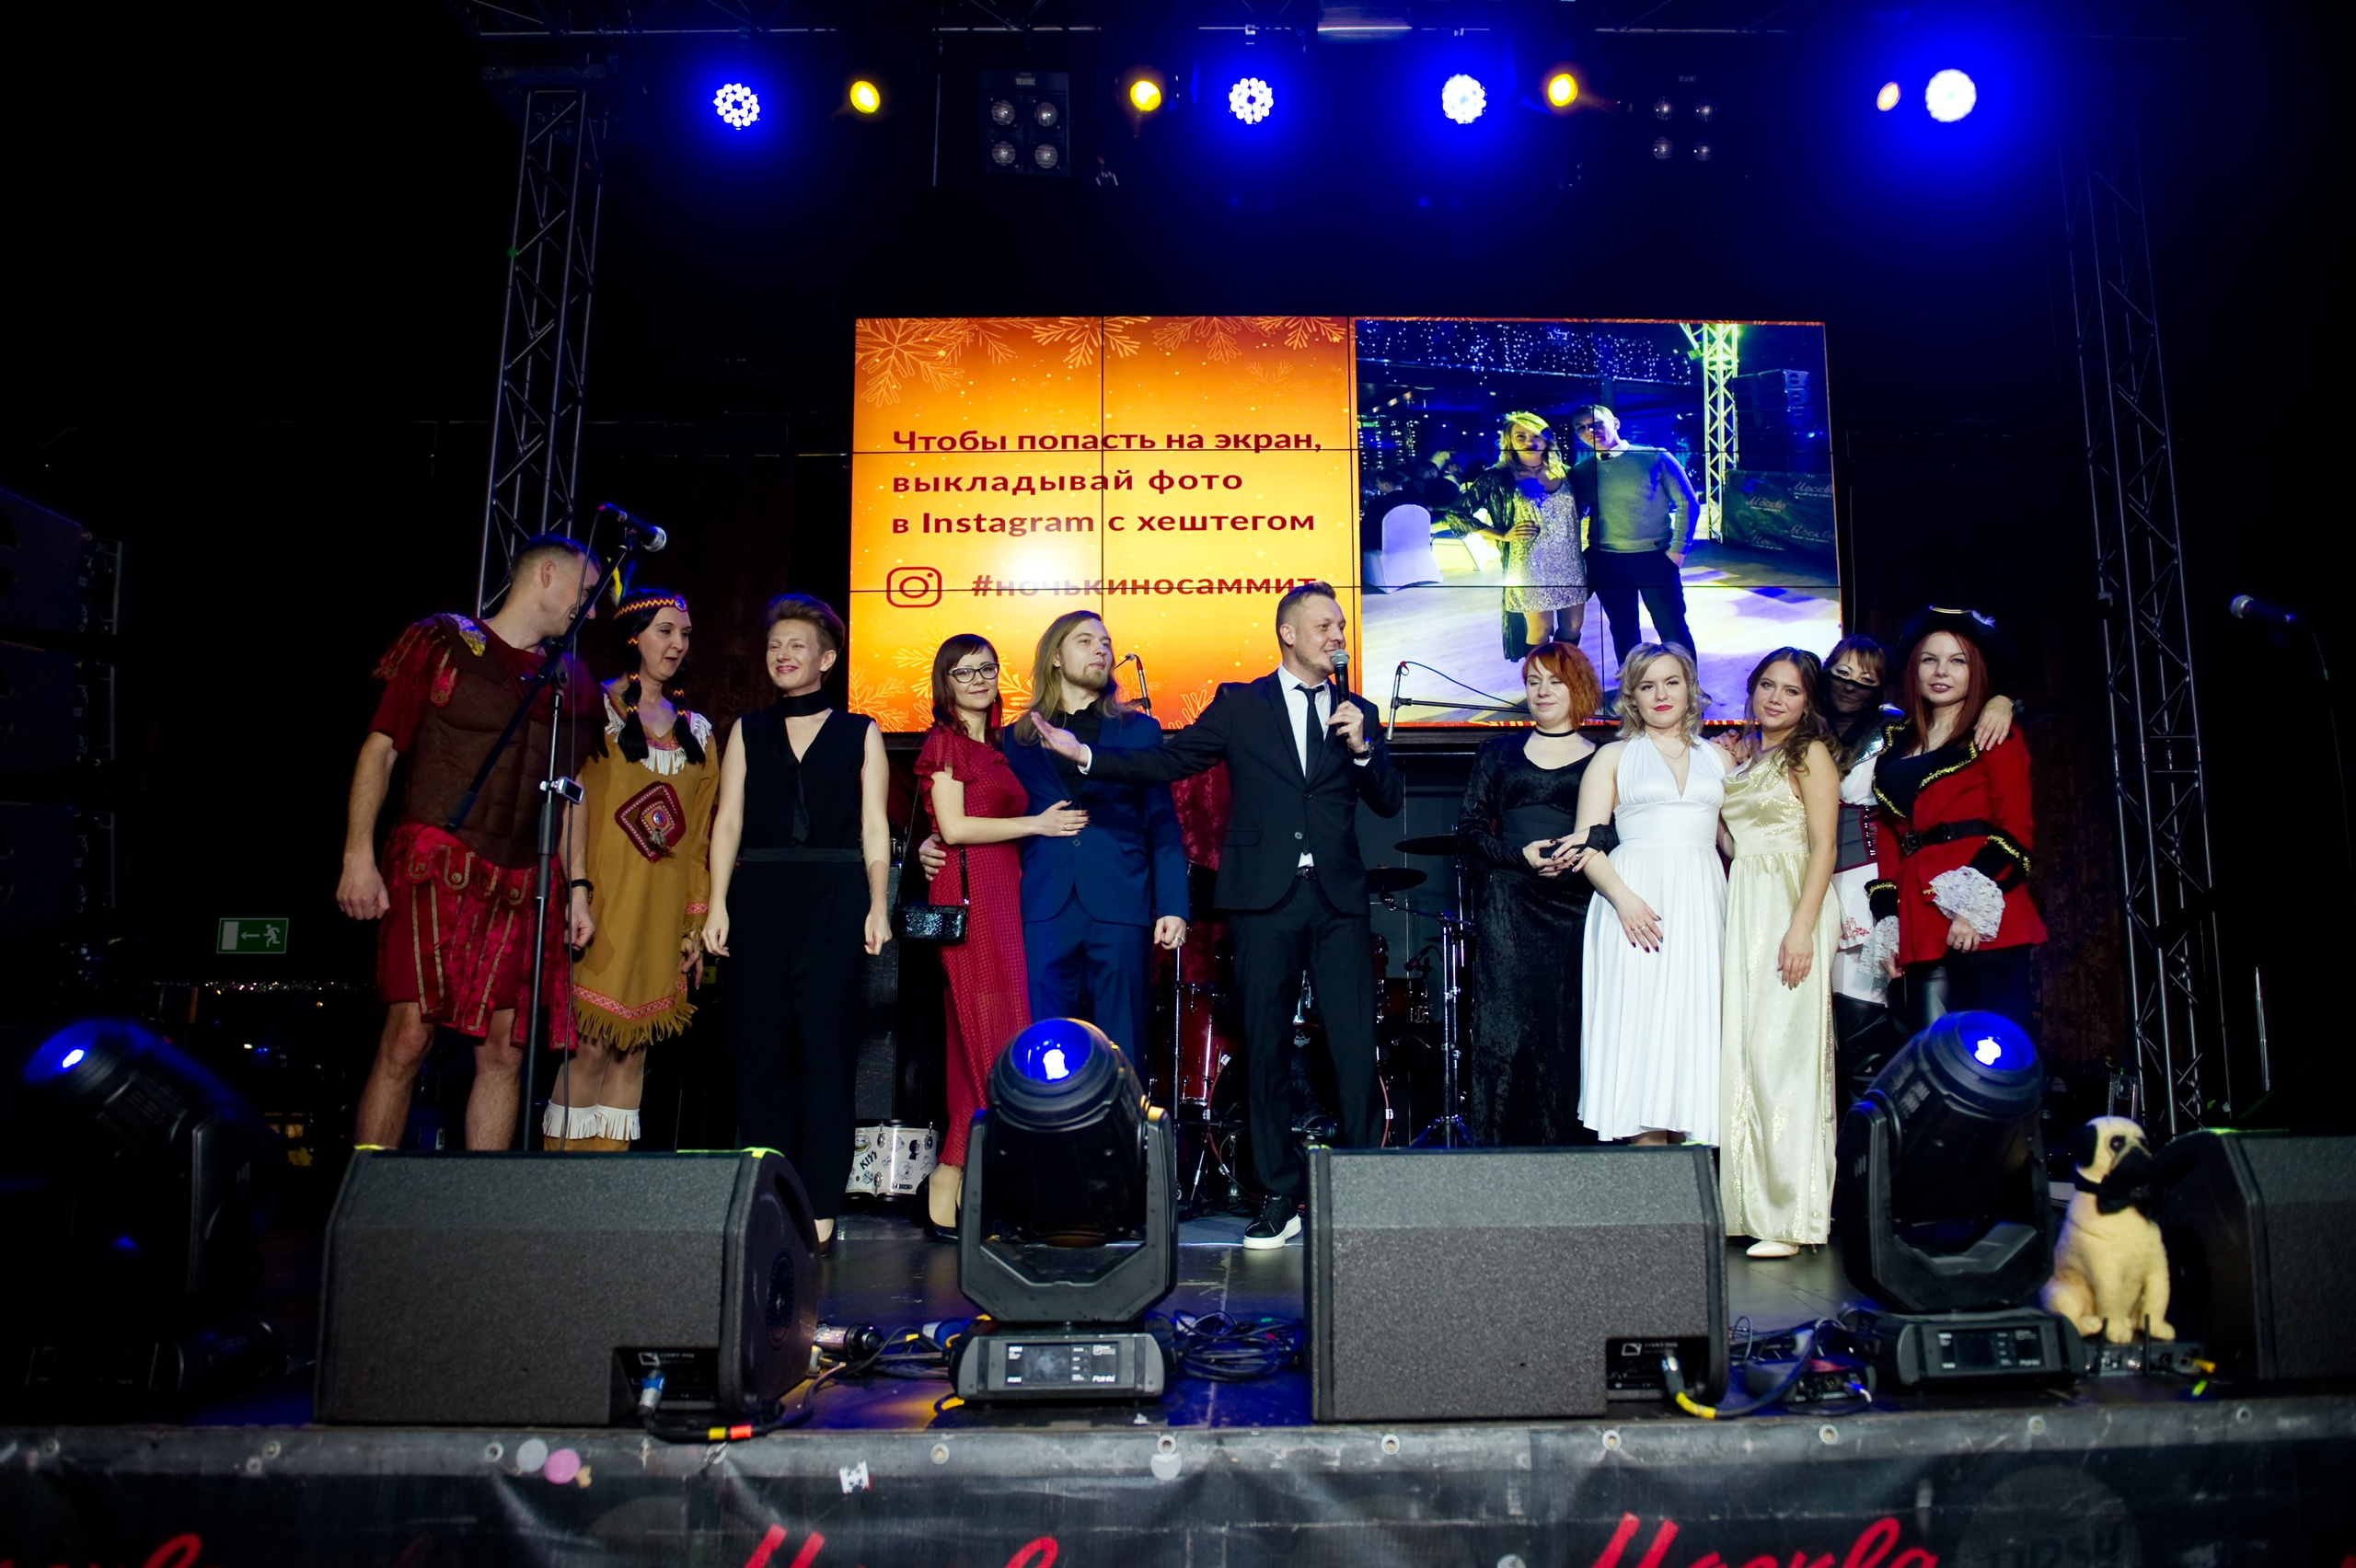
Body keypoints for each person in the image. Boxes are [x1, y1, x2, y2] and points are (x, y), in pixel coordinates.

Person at [1030, 582, 1404, 1249]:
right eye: (1324, 625)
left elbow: (1387, 799)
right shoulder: (1240, 703)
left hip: (1339, 900)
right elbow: (1170, 761)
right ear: (1287, 634)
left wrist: (1366, 749)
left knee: (1352, 1047)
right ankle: (1279, 1195)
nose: (1336, 635)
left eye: (1341, 625)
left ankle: (1358, 1188)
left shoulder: (1359, 709)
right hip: (1263, 898)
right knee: (1263, 1048)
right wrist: (1084, 755)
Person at [338, 534, 604, 1152]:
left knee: (506, 1050)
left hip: (521, 879)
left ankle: (480, 1213)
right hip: (438, 861)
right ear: (544, 576)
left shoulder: (569, 678)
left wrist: (580, 889)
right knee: (408, 1037)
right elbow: (380, 750)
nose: (589, 611)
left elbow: (575, 792)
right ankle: (367, 1200)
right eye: (585, 593)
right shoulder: (443, 643)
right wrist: (357, 856)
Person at [702, 594, 891, 1245]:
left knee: (824, 1045)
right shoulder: (747, 731)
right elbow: (726, 820)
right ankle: (763, 1194)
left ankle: (820, 1202)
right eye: (774, 646)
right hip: (758, 892)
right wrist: (718, 901)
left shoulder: (859, 730)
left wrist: (877, 904)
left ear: (827, 659)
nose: (782, 656)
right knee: (758, 1048)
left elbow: (874, 826)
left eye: (796, 646)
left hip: (835, 894)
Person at [912, 634, 1086, 1239]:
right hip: (970, 898)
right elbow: (954, 826)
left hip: (1002, 895)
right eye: (964, 672)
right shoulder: (947, 743)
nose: (979, 679)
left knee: (973, 1053)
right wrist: (1036, 824)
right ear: (946, 683)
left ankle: (947, 1188)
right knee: (996, 1041)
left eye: (986, 667)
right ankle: (1014, 1191)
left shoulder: (1000, 745)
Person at [544, 588, 717, 1151]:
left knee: (634, 1051)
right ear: (633, 636)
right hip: (600, 905)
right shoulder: (593, 710)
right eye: (665, 631)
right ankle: (555, 1196)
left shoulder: (697, 731)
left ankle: (603, 1199)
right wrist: (576, 893)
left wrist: (694, 923)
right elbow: (572, 805)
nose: (677, 644)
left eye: (685, 634)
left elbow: (697, 841)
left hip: (660, 914)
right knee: (590, 1045)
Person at [1822, 635, 2017, 1100]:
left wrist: (2004, 701)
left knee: (1890, 1029)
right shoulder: (1803, 728)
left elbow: (2014, 823)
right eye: (1842, 673)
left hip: (1873, 880)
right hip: (1819, 883)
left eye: (1866, 678)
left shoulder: (1896, 732)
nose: (1851, 686)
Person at [1571, 642, 1727, 1146]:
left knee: (1693, 1030)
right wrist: (1625, 900)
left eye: (1672, 682)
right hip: (1632, 905)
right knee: (1640, 1033)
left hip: (1702, 902)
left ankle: (1690, 1185)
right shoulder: (1612, 757)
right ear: (1631, 698)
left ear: (1690, 688)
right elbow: (1587, 846)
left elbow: (1734, 839)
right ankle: (1651, 1190)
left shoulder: (1719, 757)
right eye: (1647, 685)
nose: (1661, 694)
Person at [1455, 643, 1609, 1147]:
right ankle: (1501, 1167)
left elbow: (1619, 831)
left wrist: (1579, 849)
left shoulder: (1605, 757)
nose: (1542, 692)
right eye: (1533, 682)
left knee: (1567, 1035)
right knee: (1505, 1036)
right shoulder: (1496, 753)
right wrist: (1519, 857)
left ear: (1577, 687)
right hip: (1509, 904)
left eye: (1554, 682)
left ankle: (1569, 1167)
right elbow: (1470, 830)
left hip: (1578, 906)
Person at [1867, 609, 2047, 1032]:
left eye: (1957, 661)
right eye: (1930, 660)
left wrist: (1971, 910)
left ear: (1976, 670)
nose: (1941, 671)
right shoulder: (1896, 744)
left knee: (1993, 1056)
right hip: (1918, 917)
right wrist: (1890, 923)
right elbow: (1891, 837)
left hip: (1981, 913)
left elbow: (2015, 828)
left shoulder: (1994, 732)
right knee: (1933, 1057)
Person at [1717, 648, 1842, 1258]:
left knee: (1784, 1055)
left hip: (1791, 898)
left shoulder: (1809, 753)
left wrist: (1801, 927)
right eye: (1767, 685)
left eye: (1791, 691)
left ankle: (1791, 1214)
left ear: (1808, 702)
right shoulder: (1746, 757)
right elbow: (1731, 839)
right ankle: (1748, 1204)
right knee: (1747, 1054)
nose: (1775, 698)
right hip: (1748, 901)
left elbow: (1824, 847)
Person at [1569, 405, 1700, 668]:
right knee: (1623, 629)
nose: (1589, 431)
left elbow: (1688, 502)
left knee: (1672, 628)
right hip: (1605, 561)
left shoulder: (1654, 457)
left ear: (1615, 423)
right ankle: (1632, 687)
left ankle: (1688, 690)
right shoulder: (1581, 472)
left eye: (1595, 423)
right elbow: (1572, 513)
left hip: (1655, 558)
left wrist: (1678, 551)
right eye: (1581, 428)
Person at [1462, 412, 1588, 653]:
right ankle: (1539, 686)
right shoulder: (1498, 476)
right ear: (1509, 441)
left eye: (1537, 436)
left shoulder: (1567, 473)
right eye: (1521, 436)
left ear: (1546, 441)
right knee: (1540, 629)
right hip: (1529, 566)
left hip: (1569, 562)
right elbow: (1458, 514)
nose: (1530, 441)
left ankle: (1563, 680)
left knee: (1573, 627)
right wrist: (1502, 535)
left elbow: (1581, 509)